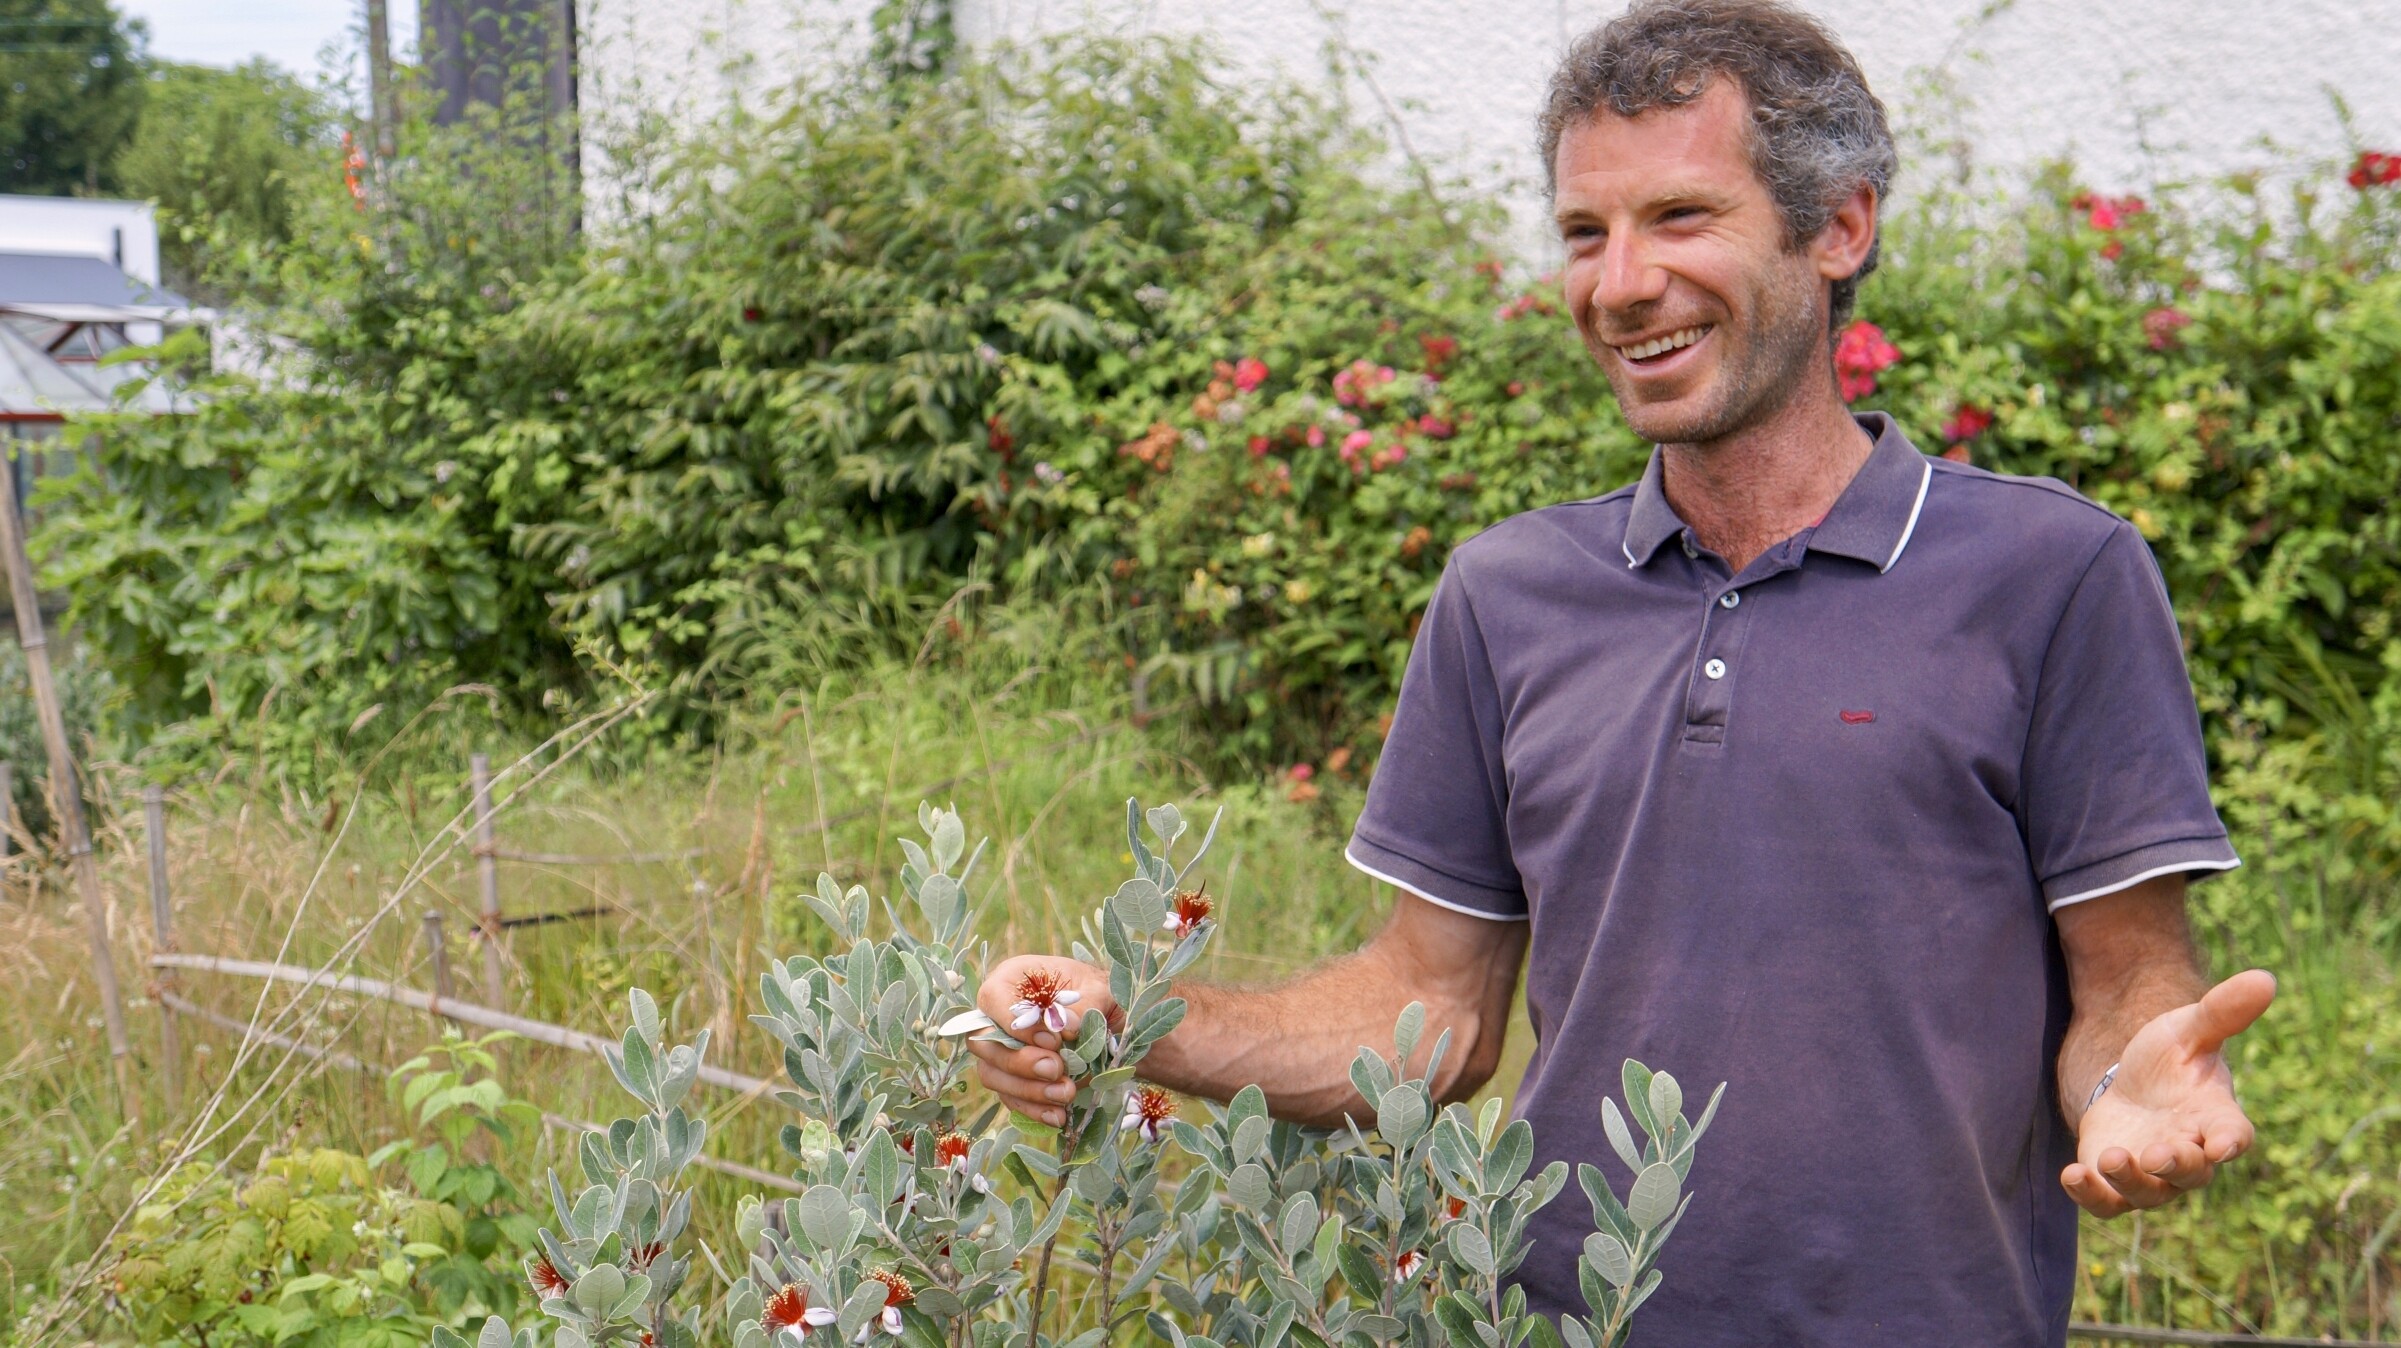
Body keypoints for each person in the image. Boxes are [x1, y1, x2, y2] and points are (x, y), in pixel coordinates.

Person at [970, 1, 2276, 1342]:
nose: (1618, 283)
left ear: (1838, 229)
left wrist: (2130, 1083)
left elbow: (2127, 980)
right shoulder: (1506, 595)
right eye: (1583, 235)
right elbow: (1431, 1007)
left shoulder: (2050, 573)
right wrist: (1141, 1024)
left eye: (1678, 218)